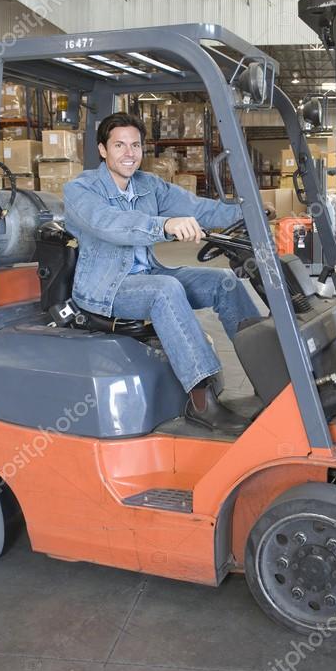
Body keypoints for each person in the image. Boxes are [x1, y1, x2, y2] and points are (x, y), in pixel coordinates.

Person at [64, 112, 261, 435]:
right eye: (119, 145)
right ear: (102, 150)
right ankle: (202, 402)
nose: (129, 153)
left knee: (223, 282)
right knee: (164, 290)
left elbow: (198, 208)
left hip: (148, 273)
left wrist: (250, 212)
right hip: (106, 289)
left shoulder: (148, 186)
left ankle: (267, 379)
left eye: (135, 145)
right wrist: (164, 225)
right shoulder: (81, 190)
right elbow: (109, 224)